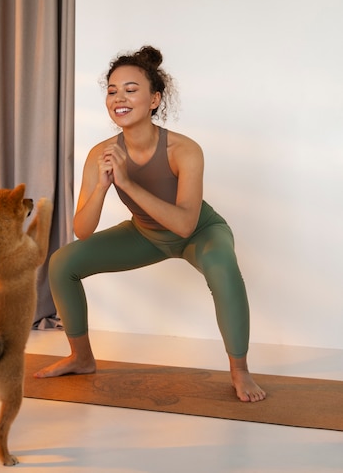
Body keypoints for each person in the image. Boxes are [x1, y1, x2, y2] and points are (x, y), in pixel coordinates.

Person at [35, 46, 266, 403]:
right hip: (145, 234)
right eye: (112, 90)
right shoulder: (101, 153)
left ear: (155, 99)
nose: (119, 98)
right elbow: (82, 230)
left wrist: (127, 183)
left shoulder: (183, 150)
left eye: (130, 89)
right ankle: (81, 358)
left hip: (199, 232)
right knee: (63, 262)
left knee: (222, 266)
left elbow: (185, 225)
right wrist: (102, 185)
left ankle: (240, 371)